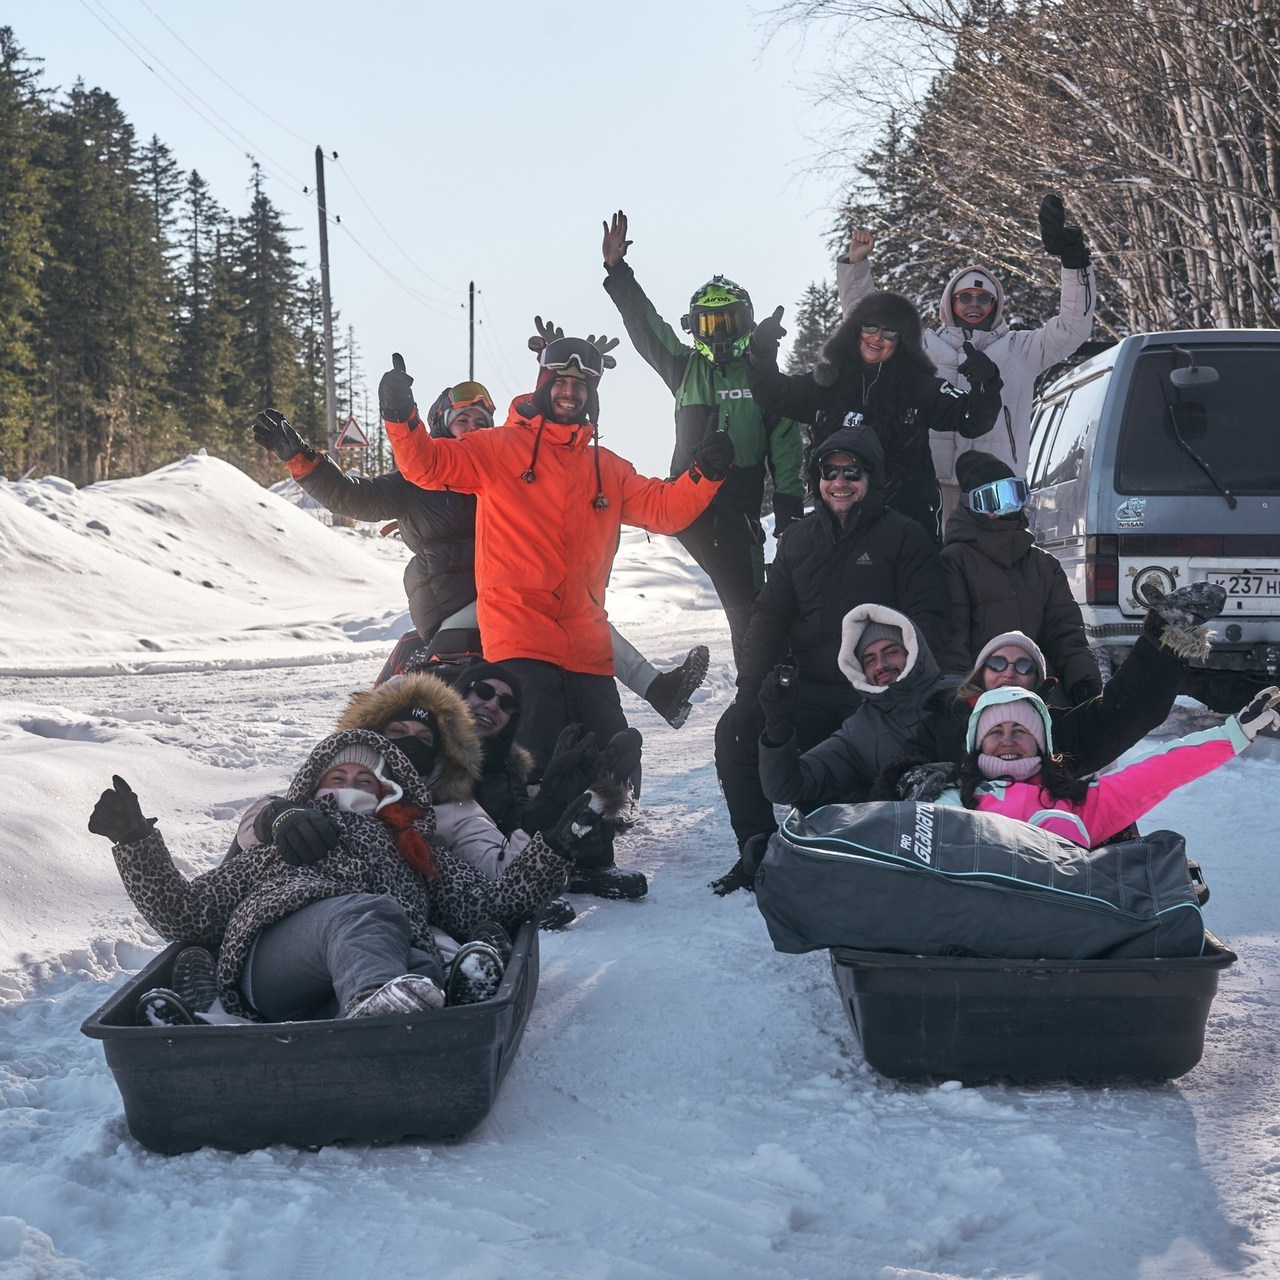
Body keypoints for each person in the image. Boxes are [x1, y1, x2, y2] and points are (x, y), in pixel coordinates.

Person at [379, 333, 730, 899]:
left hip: (586, 636)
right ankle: (526, 871)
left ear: (591, 393)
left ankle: (590, 859)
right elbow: (425, 464)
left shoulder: (606, 466)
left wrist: (705, 475)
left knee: (608, 747)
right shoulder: (497, 449)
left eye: (580, 385)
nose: (569, 392)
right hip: (519, 629)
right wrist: (401, 416)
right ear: (543, 385)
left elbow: (664, 510)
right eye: (560, 382)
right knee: (539, 754)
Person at [89, 729, 623, 1023]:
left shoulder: (419, 857)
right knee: (365, 914)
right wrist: (135, 841)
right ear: (312, 788)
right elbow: (186, 915)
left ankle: (430, 1003)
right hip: (274, 965)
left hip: (371, 956)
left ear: (389, 794)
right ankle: (382, 1010)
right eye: (336, 776)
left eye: (364, 778)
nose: (348, 784)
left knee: (419, 953)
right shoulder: (282, 843)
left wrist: (554, 847)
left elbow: (495, 905)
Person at [252, 397, 710, 730]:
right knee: (565, 618)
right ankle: (655, 689)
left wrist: (553, 393)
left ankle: (630, 708)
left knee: (576, 616)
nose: (473, 427)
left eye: (482, 420)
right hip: (456, 599)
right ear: (439, 426)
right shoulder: (420, 479)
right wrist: (300, 457)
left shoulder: (505, 467)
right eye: (462, 419)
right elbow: (353, 497)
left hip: (508, 595)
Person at [710, 427, 946, 893]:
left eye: (852, 472)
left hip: (880, 698)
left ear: (872, 478)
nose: (840, 482)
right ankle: (757, 848)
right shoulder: (798, 540)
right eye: (829, 472)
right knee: (736, 731)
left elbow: (929, 619)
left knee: (867, 780)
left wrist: (910, 693)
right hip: (814, 689)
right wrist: (750, 689)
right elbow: (771, 612)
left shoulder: (904, 536)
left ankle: (873, 858)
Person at [600, 210, 806, 664]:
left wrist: (790, 513)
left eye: (729, 322)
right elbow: (645, 325)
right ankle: (761, 685)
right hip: (689, 502)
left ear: (747, 322)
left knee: (757, 606)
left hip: (741, 506)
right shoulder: (684, 366)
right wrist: (618, 272)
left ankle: (766, 679)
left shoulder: (763, 378)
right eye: (709, 325)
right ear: (694, 328)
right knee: (748, 605)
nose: (720, 333)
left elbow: (788, 451)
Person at [837, 193, 1096, 520]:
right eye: (965, 298)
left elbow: (1073, 329)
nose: (974, 304)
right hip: (933, 487)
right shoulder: (923, 349)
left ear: (995, 304)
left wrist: (1074, 262)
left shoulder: (1021, 350)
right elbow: (869, 323)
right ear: (951, 303)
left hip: (998, 489)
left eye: (983, 298)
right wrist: (856, 266)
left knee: (990, 571)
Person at [884, 683, 1280, 848]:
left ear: (1041, 744)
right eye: (996, 731)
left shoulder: (1077, 803)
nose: (1007, 740)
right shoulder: (953, 794)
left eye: (1020, 731)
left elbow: (1160, 770)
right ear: (977, 744)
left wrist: (1234, 733)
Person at [746, 287, 1002, 543]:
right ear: (855, 330)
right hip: (839, 529)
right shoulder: (826, 384)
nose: (877, 338)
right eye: (870, 327)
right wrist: (761, 351)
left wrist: (986, 384)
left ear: (903, 341)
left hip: (908, 532)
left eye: (889, 332)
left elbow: (974, 419)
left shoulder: (919, 387)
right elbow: (771, 393)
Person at [904, 582, 1231, 780]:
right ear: (980, 674)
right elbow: (895, 775)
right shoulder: (942, 723)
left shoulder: (1058, 731)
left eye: (1024, 666)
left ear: (1037, 685)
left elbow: (1129, 710)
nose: (1009, 671)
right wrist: (913, 779)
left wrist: (1166, 635)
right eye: (998, 662)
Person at [939, 449, 1101, 702]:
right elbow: (953, 643)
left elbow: (1066, 633)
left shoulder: (1043, 564)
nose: (1006, 508)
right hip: (983, 698)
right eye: (993, 499)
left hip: (1042, 694)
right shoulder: (955, 561)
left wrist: (1083, 682)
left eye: (1013, 495)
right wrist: (959, 698)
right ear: (972, 505)